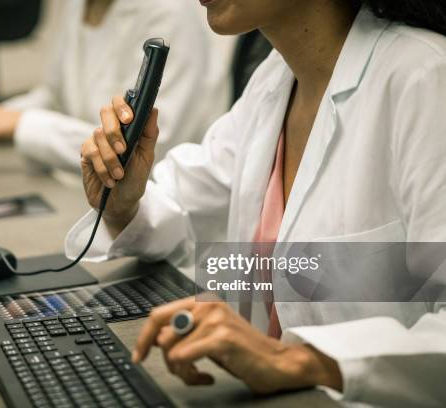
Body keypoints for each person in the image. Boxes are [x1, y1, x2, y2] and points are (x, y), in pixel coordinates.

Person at [66, 0, 446, 406]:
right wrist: (123, 201)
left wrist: (302, 360)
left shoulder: (427, 79)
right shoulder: (275, 79)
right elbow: (187, 206)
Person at [0, 0, 229, 172]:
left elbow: (148, 146)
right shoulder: (79, 4)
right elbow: (53, 96)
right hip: (79, 191)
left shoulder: (167, 12)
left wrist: (22, 125)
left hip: (159, 219)